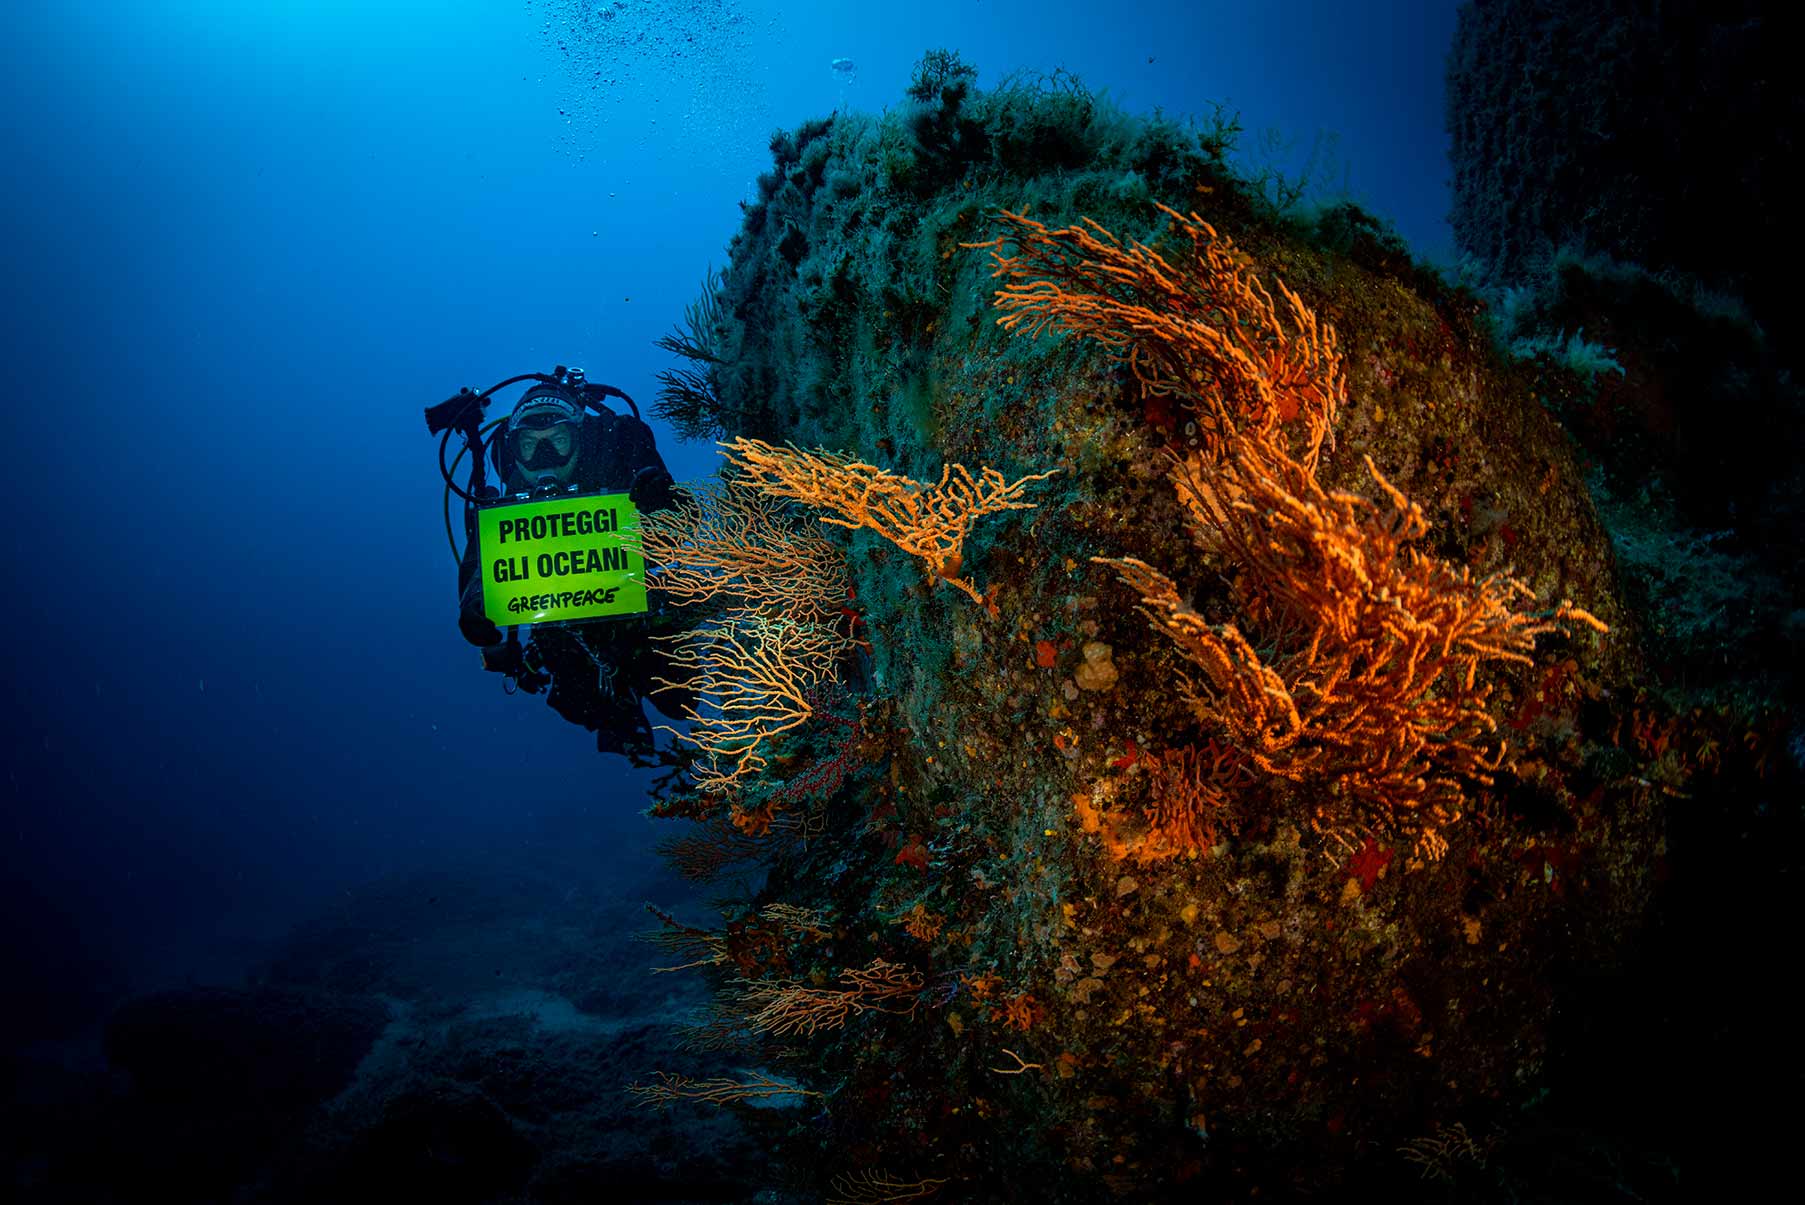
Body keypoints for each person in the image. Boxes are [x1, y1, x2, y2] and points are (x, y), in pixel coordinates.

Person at [455, 379, 692, 764]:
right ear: (514, 452)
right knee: (581, 706)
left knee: (681, 701)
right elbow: (478, 566)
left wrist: (663, 503)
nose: (545, 455)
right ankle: (621, 722)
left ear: (579, 437)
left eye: (557, 440)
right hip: (564, 630)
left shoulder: (617, 460)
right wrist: (476, 606)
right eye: (530, 445)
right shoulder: (509, 498)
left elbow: (683, 526)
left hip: (644, 615)